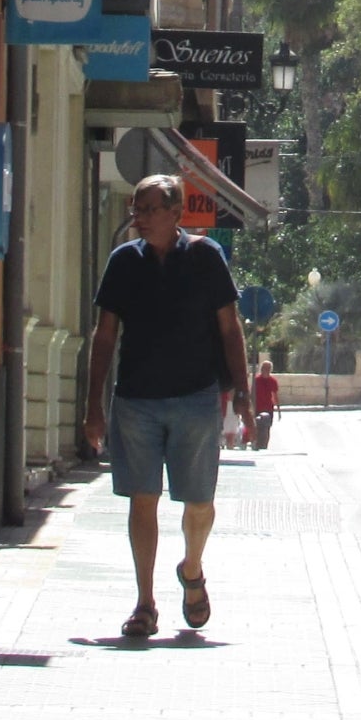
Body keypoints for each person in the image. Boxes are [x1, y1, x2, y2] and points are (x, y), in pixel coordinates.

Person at [80, 175, 252, 642]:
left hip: (195, 397)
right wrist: (94, 405)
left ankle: (191, 567)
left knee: (199, 502)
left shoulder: (205, 258)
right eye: (137, 208)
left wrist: (243, 391)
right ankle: (144, 604)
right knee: (142, 499)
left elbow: (230, 328)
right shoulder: (123, 262)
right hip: (136, 399)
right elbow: (104, 336)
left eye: (150, 208)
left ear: (176, 213)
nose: (140, 216)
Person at [250, 357, 281, 450]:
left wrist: (279, 410)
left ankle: (264, 446)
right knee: (257, 427)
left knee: (267, 428)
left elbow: (275, 396)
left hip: (269, 408)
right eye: (264, 368)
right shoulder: (256, 380)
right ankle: (256, 444)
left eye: (268, 369)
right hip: (257, 408)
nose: (266, 370)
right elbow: (251, 394)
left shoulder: (273, 381)